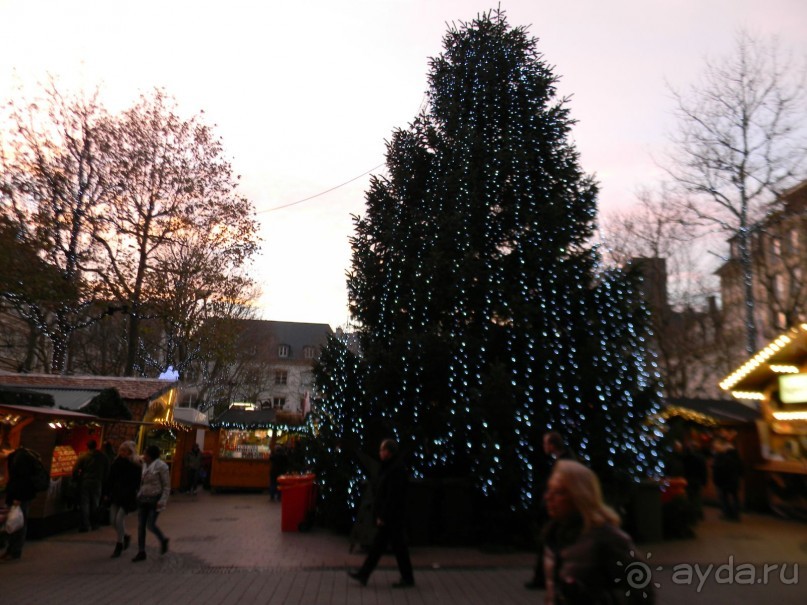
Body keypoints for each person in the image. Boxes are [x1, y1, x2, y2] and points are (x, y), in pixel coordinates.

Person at [543, 460, 653, 604]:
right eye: (549, 490)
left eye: (559, 492)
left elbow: (643, 592)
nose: (548, 498)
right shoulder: (554, 535)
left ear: (579, 496)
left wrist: (597, 600)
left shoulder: (606, 537)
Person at [348, 438, 415, 589]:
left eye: (382, 450)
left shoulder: (395, 470)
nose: (380, 453)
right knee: (388, 547)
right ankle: (365, 574)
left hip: (392, 517)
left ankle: (366, 574)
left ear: (388, 452)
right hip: (393, 516)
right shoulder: (391, 467)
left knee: (391, 547)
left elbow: (392, 496)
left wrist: (383, 516)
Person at [525, 431, 576, 590]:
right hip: (557, 509)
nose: (544, 447)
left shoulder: (563, 463)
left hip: (559, 511)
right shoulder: (563, 460)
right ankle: (547, 577)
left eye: (546, 443)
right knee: (551, 542)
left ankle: (543, 578)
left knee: (549, 542)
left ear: (553, 445)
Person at [132, 445, 170, 562]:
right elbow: (133, 458)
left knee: (150, 524)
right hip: (143, 498)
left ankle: (162, 540)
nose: (144, 456)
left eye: (146, 454)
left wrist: (163, 500)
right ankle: (141, 551)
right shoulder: (144, 464)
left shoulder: (161, 466)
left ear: (151, 455)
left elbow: (166, 485)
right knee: (141, 526)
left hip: (155, 499)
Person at [1, 446, 40, 562]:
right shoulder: (20, 457)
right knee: (16, 522)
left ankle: (14, 551)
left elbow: (20, 480)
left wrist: (17, 497)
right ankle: (11, 550)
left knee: (17, 523)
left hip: (20, 497)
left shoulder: (19, 460)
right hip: (21, 496)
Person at [106, 441, 142, 558]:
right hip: (116, 494)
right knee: (112, 520)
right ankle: (125, 535)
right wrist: (107, 492)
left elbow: (136, 482)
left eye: (124, 451)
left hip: (127, 496)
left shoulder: (135, 465)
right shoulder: (116, 463)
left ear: (130, 452)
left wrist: (133, 491)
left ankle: (119, 544)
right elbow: (110, 478)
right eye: (121, 450)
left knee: (119, 519)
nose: (122, 453)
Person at [72, 439, 110, 532]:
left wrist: (76, 478)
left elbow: (75, 470)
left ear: (87, 446)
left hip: (85, 481)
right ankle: (94, 523)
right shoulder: (103, 457)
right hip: (97, 482)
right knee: (95, 503)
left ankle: (85, 525)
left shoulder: (83, 456)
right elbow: (107, 470)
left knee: (85, 503)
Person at [712, 437, 743, 521]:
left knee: (724, 497)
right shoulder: (734, 453)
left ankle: (728, 514)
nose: (715, 446)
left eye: (716, 444)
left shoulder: (722, 455)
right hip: (733, 479)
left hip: (725, 480)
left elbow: (720, 468)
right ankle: (735, 515)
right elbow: (740, 467)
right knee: (734, 497)